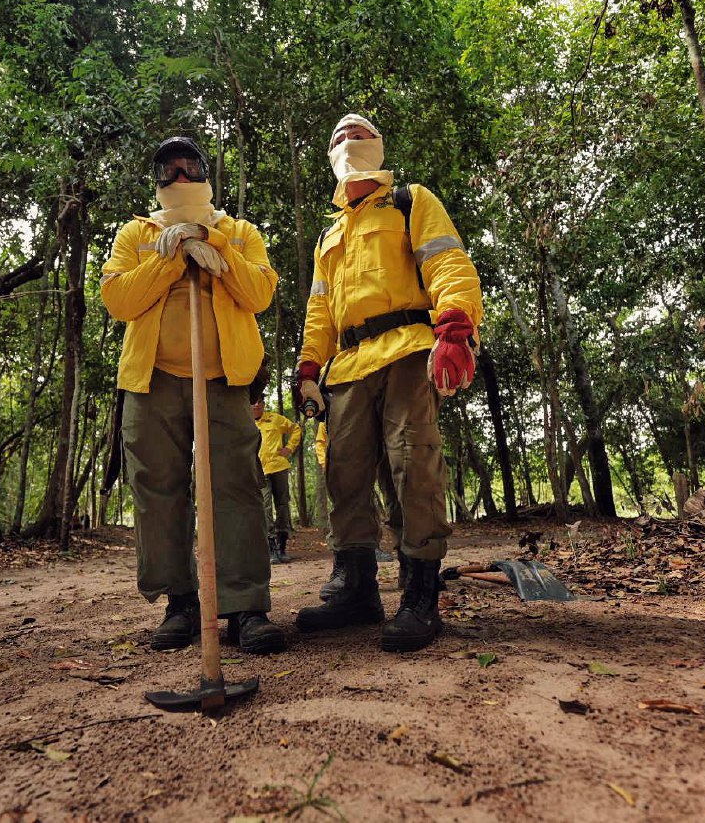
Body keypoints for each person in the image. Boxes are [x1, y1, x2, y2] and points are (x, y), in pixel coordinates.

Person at [294, 114, 482, 652]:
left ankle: (420, 594)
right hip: (347, 366)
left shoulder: (409, 200)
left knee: (412, 461)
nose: (347, 140)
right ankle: (356, 590)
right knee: (345, 471)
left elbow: (445, 260)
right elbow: (320, 309)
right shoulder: (330, 234)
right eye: (337, 137)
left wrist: (454, 324)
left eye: (358, 134)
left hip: (407, 349)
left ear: (377, 146)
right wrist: (308, 367)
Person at [100, 136, 286, 655]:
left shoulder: (240, 232)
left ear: (206, 173)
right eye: (169, 170)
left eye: (190, 167)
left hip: (224, 378)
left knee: (236, 488)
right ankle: (180, 602)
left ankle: (245, 606)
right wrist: (171, 258)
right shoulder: (135, 233)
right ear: (157, 182)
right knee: (158, 490)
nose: (180, 177)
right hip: (152, 378)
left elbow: (260, 294)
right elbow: (118, 299)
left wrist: (216, 249)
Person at [253, 400, 302, 563]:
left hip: (279, 467)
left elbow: (295, 429)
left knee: (282, 506)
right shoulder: (246, 423)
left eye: (259, 402)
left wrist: (289, 448)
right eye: (253, 403)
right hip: (260, 471)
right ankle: (271, 546)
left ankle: (282, 546)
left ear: (264, 404)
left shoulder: (275, 419)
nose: (256, 405)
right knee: (265, 506)